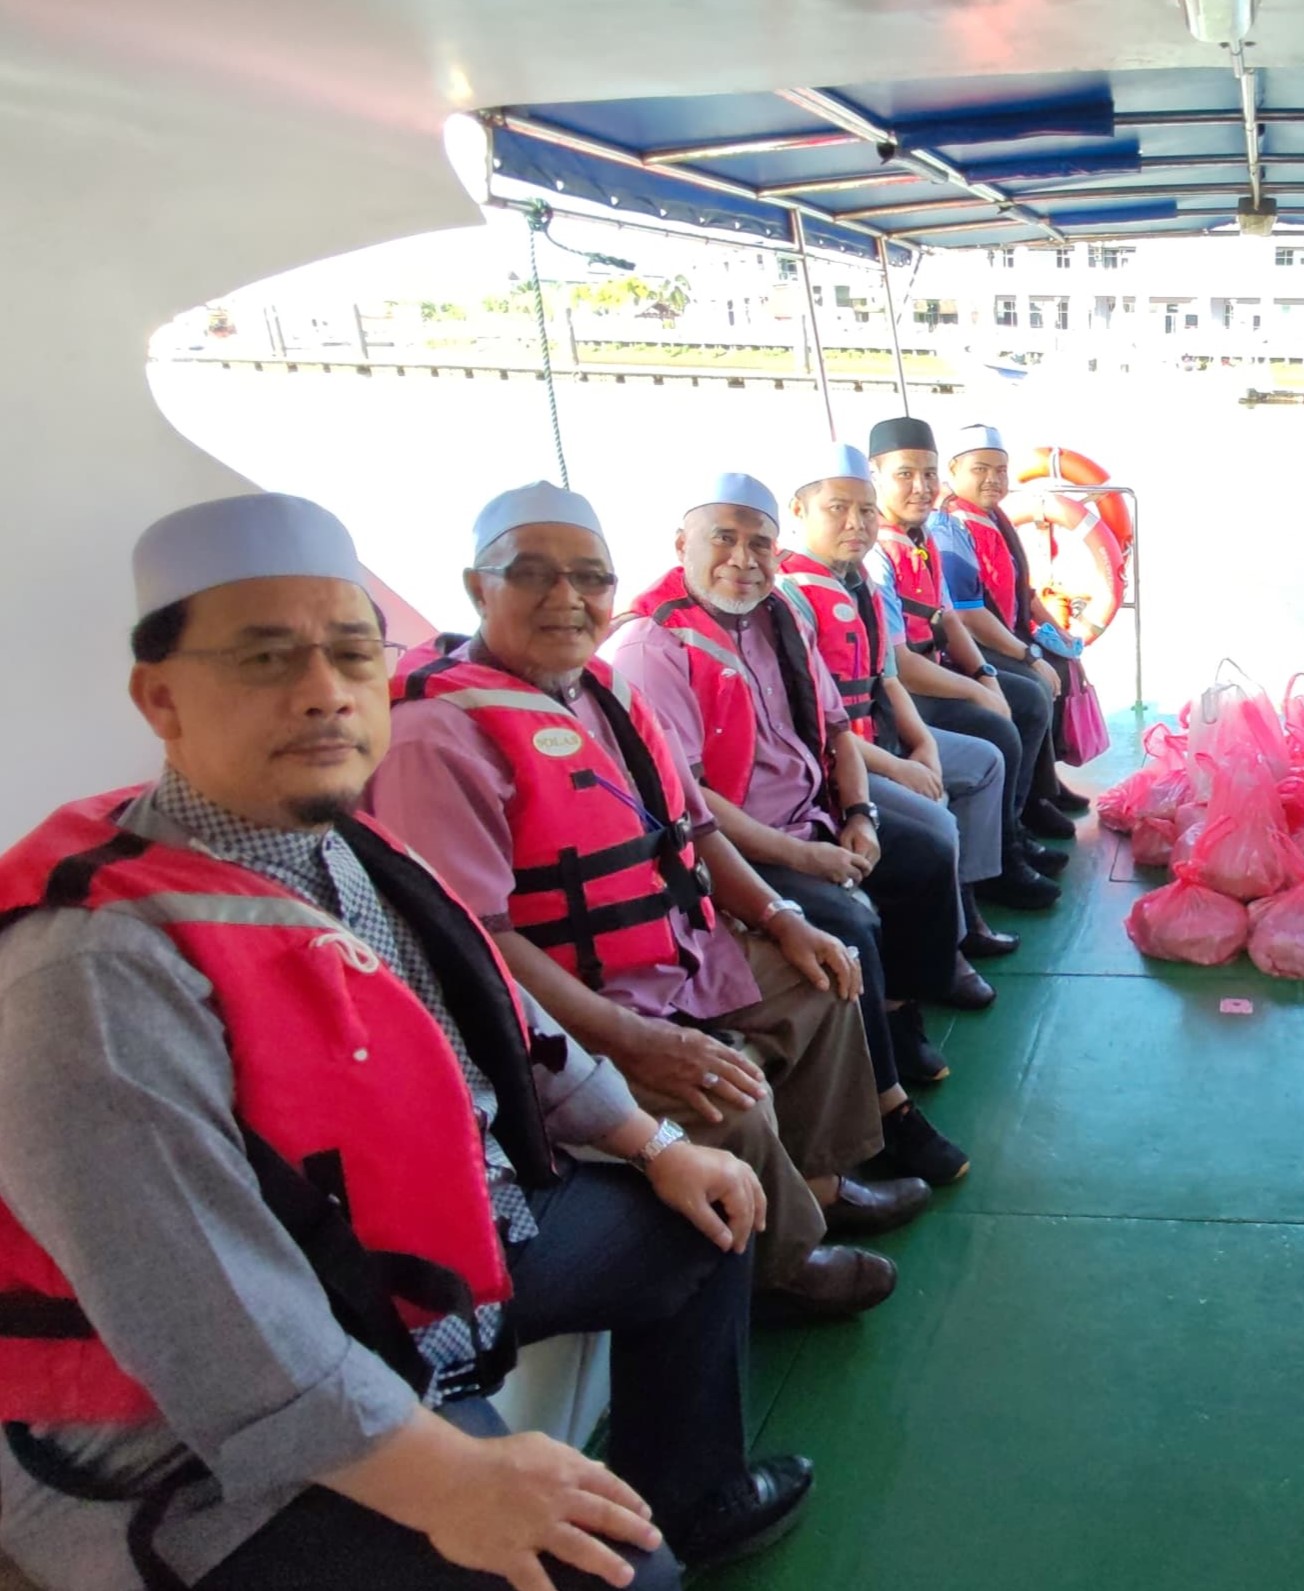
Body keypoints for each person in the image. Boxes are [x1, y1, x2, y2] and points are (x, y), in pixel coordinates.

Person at [0, 494, 809, 1591]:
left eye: (348, 650)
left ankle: (695, 1494)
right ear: (160, 698)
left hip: (407, 1271)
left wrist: (654, 1140)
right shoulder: (94, 970)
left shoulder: (346, 845)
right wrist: (443, 1478)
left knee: (699, 1226)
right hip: (190, 1444)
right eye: (264, 658)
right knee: (618, 1578)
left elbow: (504, 1021)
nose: (325, 690)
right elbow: (205, 1314)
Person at [368, 482, 915, 1323]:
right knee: (726, 1105)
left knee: (823, 976)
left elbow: (695, 830)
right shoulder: (436, 736)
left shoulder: (604, 691)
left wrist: (781, 917)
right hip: (566, 1014)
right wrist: (635, 1041)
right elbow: (477, 943)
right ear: (478, 588)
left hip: (675, 953)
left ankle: (819, 1185)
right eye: (533, 575)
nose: (568, 598)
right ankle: (783, 1264)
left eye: (591, 578)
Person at [601, 471, 972, 1185]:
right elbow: (693, 798)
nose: (743, 559)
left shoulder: (785, 616)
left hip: (819, 809)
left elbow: (836, 729)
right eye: (724, 540)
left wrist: (859, 815)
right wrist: (805, 856)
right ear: (683, 544)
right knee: (846, 922)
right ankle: (887, 1112)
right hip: (741, 843)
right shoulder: (653, 647)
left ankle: (896, 1019)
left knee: (926, 849)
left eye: (759, 544)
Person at [782, 447, 1046, 922]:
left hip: (882, 731)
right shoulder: (791, 599)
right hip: (844, 758)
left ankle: (981, 883)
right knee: (938, 818)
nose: (855, 523)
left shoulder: (858, 578)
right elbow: (823, 724)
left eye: (864, 511)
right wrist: (903, 766)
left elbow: (887, 675)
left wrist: (924, 743)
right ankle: (957, 938)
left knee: (995, 743)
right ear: (798, 511)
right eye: (837, 509)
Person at [867, 416, 1069, 898]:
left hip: (932, 671)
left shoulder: (923, 540)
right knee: (998, 724)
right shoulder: (877, 554)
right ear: (875, 475)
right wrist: (978, 690)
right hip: (901, 692)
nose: (921, 487)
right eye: (905, 475)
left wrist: (986, 676)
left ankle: (1013, 831)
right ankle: (998, 865)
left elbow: (949, 618)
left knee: (1022, 697)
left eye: (928, 475)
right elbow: (900, 665)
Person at [936, 423, 1092, 821]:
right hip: (973, 644)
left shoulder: (994, 518)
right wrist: (1027, 655)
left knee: (1062, 665)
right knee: (1036, 686)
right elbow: (969, 615)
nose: (993, 479)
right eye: (980, 469)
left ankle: (1047, 782)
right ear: (953, 473)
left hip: (1006, 630)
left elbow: (1022, 587)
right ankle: (1025, 808)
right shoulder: (953, 528)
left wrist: (1053, 628)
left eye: (1001, 470)